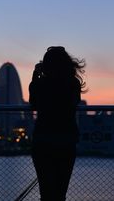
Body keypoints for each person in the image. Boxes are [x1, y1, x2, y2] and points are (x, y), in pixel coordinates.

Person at [29, 46, 86, 201]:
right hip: (66, 141)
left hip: (43, 141)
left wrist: (36, 75)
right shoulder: (73, 84)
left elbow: (33, 104)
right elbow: (74, 103)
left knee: (46, 191)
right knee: (60, 192)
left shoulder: (40, 84)